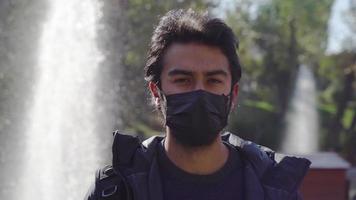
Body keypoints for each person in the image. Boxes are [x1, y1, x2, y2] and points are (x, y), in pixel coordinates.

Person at [85, 9, 311, 200]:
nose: (199, 92)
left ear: (233, 94)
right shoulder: (117, 191)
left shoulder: (275, 190)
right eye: (183, 80)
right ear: (156, 92)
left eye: (213, 81)